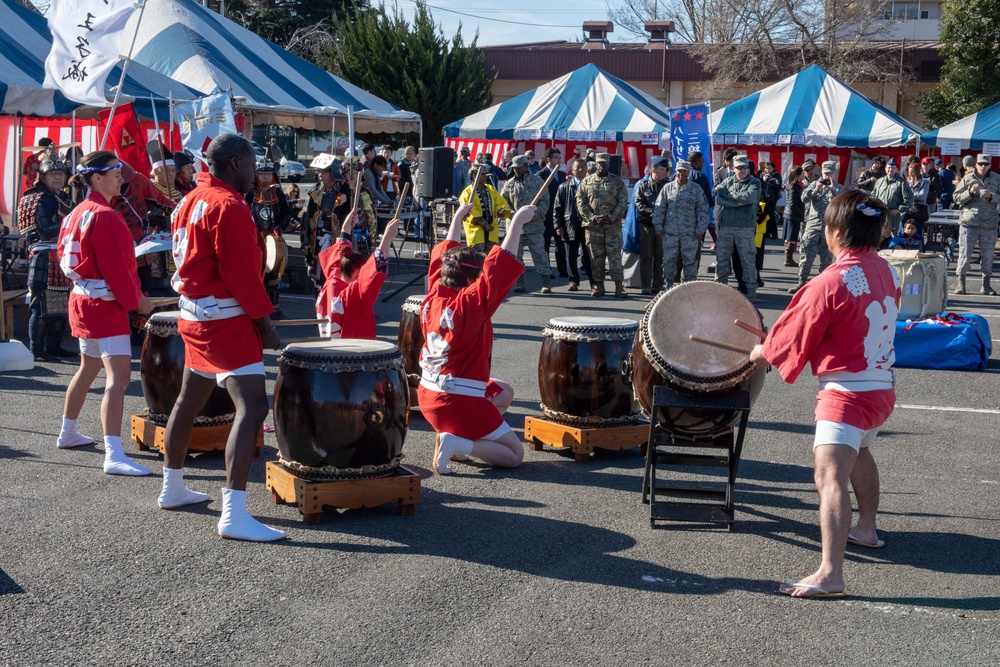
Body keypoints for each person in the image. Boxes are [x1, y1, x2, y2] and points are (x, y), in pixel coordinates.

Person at [751, 189, 901, 599]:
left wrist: (762, 351)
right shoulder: (887, 271)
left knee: (829, 476)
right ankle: (866, 529)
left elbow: (793, 333)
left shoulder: (830, 280)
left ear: (833, 231)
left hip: (846, 393)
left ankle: (830, 573)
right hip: (880, 387)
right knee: (860, 455)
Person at [159, 134, 285, 542]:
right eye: (252, 165)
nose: (256, 173)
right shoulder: (228, 205)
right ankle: (234, 512)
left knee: (188, 400)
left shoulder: (189, 199)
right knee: (252, 407)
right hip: (226, 322)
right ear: (234, 163)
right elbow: (241, 276)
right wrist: (265, 324)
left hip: (193, 315)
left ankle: (172, 486)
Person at [418, 201, 536, 474]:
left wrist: (458, 218)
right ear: (472, 279)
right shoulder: (468, 304)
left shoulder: (434, 292)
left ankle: (458, 437)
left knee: (503, 392)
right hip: (456, 399)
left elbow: (447, 251)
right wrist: (517, 221)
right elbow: (499, 265)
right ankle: (458, 442)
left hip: (429, 393)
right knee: (513, 455)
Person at [55, 150, 153, 475]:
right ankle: (113, 454)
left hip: (83, 301)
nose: (122, 177)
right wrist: (137, 301)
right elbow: (118, 269)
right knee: (119, 379)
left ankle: (68, 432)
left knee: (89, 368)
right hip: (105, 305)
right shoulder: (106, 215)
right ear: (97, 178)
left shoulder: (76, 212)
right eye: (116, 172)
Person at [18, 150, 76, 361]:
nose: (58, 177)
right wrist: (72, 222)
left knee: (61, 305)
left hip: (61, 254)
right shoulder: (39, 198)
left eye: (60, 173)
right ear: (42, 177)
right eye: (52, 173)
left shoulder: (61, 197)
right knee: (39, 305)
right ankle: (36, 349)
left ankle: (54, 345)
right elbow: (44, 229)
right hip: (43, 256)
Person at [315, 212, 399, 339]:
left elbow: (338, 256)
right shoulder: (354, 296)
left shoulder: (330, 284)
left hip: (329, 353)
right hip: (355, 354)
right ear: (359, 274)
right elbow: (373, 273)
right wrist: (387, 238)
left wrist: (346, 228)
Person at [577, 153, 630, 298]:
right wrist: (593, 217)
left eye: (604, 163)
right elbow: (580, 202)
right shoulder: (586, 182)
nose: (602, 166)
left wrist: (611, 217)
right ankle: (599, 286)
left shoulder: (617, 182)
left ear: (608, 164)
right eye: (599, 163)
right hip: (593, 227)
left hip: (612, 226)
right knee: (596, 257)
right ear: (595, 164)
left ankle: (619, 286)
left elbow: (623, 201)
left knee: (614, 257)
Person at [789, 161, 844, 294]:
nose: (827, 176)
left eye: (830, 173)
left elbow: (843, 203)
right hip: (812, 226)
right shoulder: (814, 184)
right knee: (807, 256)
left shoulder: (839, 188)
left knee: (826, 260)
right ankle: (801, 283)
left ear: (834, 173)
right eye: (825, 173)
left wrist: (833, 190)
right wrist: (816, 189)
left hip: (830, 229)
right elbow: (804, 198)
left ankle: (823, 286)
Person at [653, 160, 708, 289]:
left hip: (690, 234)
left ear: (688, 172)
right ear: (675, 172)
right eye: (679, 171)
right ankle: (669, 287)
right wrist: (658, 227)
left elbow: (703, 210)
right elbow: (660, 208)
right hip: (670, 232)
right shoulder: (668, 188)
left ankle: (689, 288)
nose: (681, 174)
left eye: (684, 171)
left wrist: (700, 229)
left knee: (690, 261)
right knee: (669, 260)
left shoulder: (696, 189)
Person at [714, 155, 761, 302]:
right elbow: (719, 198)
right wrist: (737, 203)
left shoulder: (755, 182)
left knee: (747, 260)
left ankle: (751, 292)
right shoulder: (727, 181)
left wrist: (730, 197)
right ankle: (720, 290)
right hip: (726, 227)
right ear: (733, 168)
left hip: (745, 228)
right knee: (721, 259)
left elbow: (750, 198)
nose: (743, 170)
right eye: (739, 167)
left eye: (745, 167)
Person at [502, 155, 552, 293]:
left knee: (539, 253)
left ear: (525, 166)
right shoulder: (510, 183)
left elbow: (545, 201)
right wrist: (513, 214)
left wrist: (533, 215)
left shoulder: (537, 182)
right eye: (514, 168)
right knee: (515, 255)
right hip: (515, 227)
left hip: (534, 226)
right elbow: (503, 202)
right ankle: (519, 282)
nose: (516, 170)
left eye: (519, 167)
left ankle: (546, 281)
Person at [301, 155, 351, 290]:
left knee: (337, 279)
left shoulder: (346, 192)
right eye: (319, 171)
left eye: (323, 171)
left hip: (339, 242)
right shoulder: (314, 192)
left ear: (332, 172)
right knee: (318, 282)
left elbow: (353, 218)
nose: (320, 175)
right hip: (317, 241)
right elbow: (306, 219)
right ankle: (320, 308)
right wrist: (304, 241)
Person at [953, 154, 1000, 295]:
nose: (983, 167)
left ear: (990, 165)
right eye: (980, 164)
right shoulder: (968, 178)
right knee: (964, 254)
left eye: (986, 164)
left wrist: (991, 196)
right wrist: (970, 192)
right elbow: (956, 198)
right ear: (976, 164)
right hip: (969, 223)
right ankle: (961, 284)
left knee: (987, 256)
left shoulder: (997, 179)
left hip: (989, 224)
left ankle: (986, 285)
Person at [247, 162, 291, 311]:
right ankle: (257, 308)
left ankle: (273, 308)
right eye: (262, 174)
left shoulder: (277, 193)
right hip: (254, 239)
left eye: (268, 174)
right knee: (256, 274)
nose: (265, 178)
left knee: (273, 275)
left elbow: (286, 213)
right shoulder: (249, 193)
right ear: (256, 175)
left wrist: (281, 226)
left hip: (273, 237)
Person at [552, 158, 593, 292]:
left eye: (583, 167)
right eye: (577, 167)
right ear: (572, 170)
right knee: (570, 255)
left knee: (588, 255)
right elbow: (557, 208)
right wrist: (558, 225)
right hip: (570, 223)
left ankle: (594, 282)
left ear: (587, 169)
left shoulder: (591, 186)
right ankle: (573, 281)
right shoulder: (564, 186)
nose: (580, 169)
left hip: (588, 225)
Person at [633, 155, 669, 294]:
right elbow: (638, 203)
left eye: (666, 170)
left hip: (663, 227)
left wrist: (661, 215)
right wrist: (654, 213)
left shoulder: (668, 185)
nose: (665, 172)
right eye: (662, 169)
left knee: (660, 256)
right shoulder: (643, 186)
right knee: (646, 256)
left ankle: (658, 284)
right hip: (647, 225)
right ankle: (646, 284)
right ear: (653, 169)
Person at [458, 163, 510, 253]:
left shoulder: (491, 189)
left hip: (491, 232)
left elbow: (500, 203)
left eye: (485, 174)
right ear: (474, 175)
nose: (484, 176)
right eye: (482, 174)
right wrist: (485, 225)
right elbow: (470, 212)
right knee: (476, 259)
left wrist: (500, 211)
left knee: (490, 260)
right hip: (476, 233)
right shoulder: (467, 192)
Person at [536, 148, 568, 279]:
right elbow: (540, 195)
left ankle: (563, 269)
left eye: (559, 158)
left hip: (560, 215)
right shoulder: (540, 175)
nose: (558, 160)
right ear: (548, 159)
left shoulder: (561, 174)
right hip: (546, 214)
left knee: (561, 243)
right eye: (556, 158)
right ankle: (547, 269)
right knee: (546, 243)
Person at [871, 159, 913, 247]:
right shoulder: (880, 182)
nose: (890, 170)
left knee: (891, 237)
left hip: (892, 214)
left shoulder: (901, 182)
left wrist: (899, 209)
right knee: (878, 235)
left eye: (893, 168)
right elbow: (873, 196)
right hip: (880, 213)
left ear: (896, 169)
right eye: (889, 168)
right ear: (885, 168)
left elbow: (909, 198)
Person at [782, 166, 807, 267]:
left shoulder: (795, 186)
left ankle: (788, 258)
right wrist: (802, 212)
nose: (804, 175)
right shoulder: (794, 187)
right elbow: (792, 204)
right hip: (792, 216)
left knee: (789, 238)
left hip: (791, 215)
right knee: (791, 238)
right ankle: (788, 259)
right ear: (797, 175)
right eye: (802, 173)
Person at [900, 162, 930, 238]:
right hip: (907, 210)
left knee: (917, 233)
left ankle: (919, 248)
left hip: (919, 210)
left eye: (913, 172)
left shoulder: (925, 181)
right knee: (905, 232)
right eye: (910, 172)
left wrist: (910, 195)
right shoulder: (907, 182)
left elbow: (922, 196)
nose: (911, 174)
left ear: (917, 171)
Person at [759, 161, 782, 238]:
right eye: (766, 168)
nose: (768, 169)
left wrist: (768, 181)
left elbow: (778, 185)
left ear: (773, 168)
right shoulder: (763, 175)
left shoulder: (776, 176)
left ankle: (774, 234)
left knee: (771, 216)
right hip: (764, 198)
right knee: (764, 216)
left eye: (769, 168)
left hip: (771, 199)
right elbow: (760, 185)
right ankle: (767, 233)